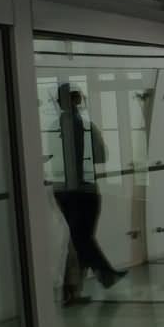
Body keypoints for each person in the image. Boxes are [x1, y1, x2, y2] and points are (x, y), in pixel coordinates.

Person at [52, 84, 126, 306]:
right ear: (75, 100)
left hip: (61, 190)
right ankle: (103, 274)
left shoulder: (54, 126)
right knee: (82, 239)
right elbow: (102, 155)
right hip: (83, 190)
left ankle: (73, 291)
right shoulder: (85, 127)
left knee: (78, 239)